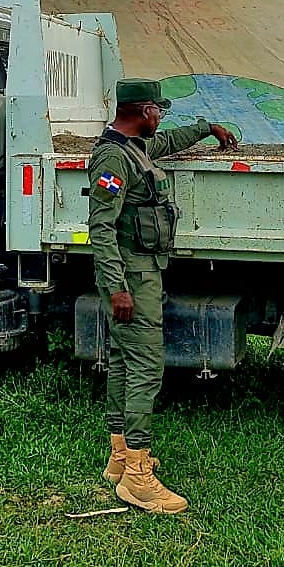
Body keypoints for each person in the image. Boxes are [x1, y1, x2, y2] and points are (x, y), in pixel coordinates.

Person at [88, 78, 238, 514]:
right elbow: (101, 227)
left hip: (140, 272)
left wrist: (207, 128)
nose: (161, 119)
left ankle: (119, 458)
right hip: (132, 276)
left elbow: (169, 141)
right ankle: (137, 476)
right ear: (143, 111)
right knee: (145, 367)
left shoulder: (134, 148)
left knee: (123, 360)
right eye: (159, 111)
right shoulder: (114, 159)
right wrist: (117, 287)